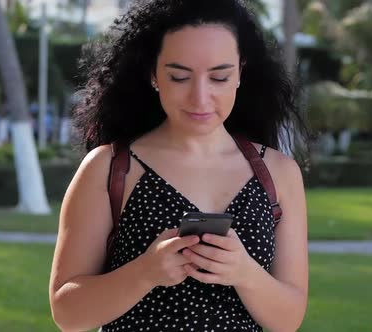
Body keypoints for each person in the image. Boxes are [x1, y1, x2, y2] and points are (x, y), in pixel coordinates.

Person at [49, 1, 309, 331]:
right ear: (153, 75)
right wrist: (145, 272)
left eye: (219, 77)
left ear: (241, 72)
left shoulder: (278, 173)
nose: (200, 98)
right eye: (179, 77)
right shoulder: (110, 168)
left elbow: (289, 320)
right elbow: (67, 312)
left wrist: (245, 273)